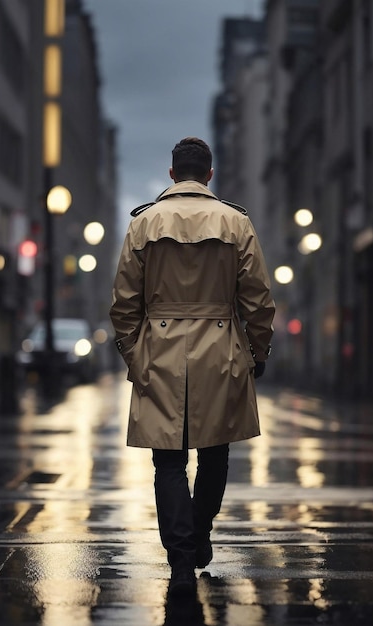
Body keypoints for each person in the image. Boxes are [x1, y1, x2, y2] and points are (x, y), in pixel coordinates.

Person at [110, 137, 275, 595]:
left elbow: (124, 302)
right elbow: (258, 299)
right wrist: (257, 351)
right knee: (215, 451)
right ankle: (200, 532)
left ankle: (180, 557)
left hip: (159, 350)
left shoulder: (143, 224)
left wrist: (134, 354)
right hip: (221, 346)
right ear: (209, 174)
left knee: (168, 461)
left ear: (171, 174)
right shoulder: (236, 222)